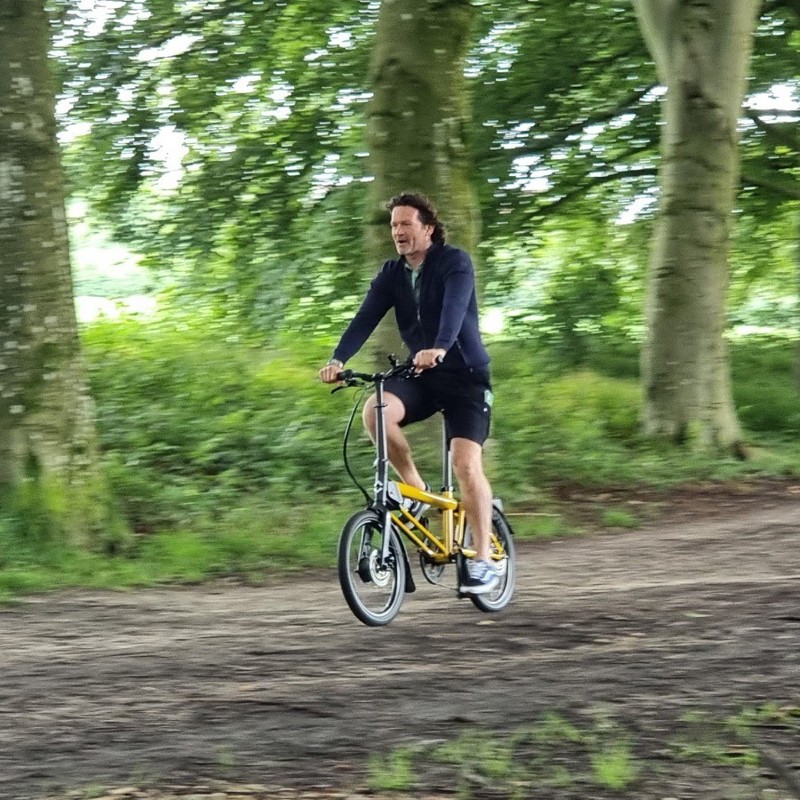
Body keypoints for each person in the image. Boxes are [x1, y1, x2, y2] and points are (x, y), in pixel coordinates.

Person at [318, 192, 499, 595]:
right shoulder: (391, 274)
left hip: (465, 376)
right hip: (422, 373)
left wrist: (440, 346)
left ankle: (484, 560)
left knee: (465, 463)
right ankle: (416, 492)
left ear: (428, 228)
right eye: (394, 226)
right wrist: (338, 359)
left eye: (406, 224)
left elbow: (454, 309)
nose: (398, 232)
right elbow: (365, 316)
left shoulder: (454, 262)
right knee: (375, 410)